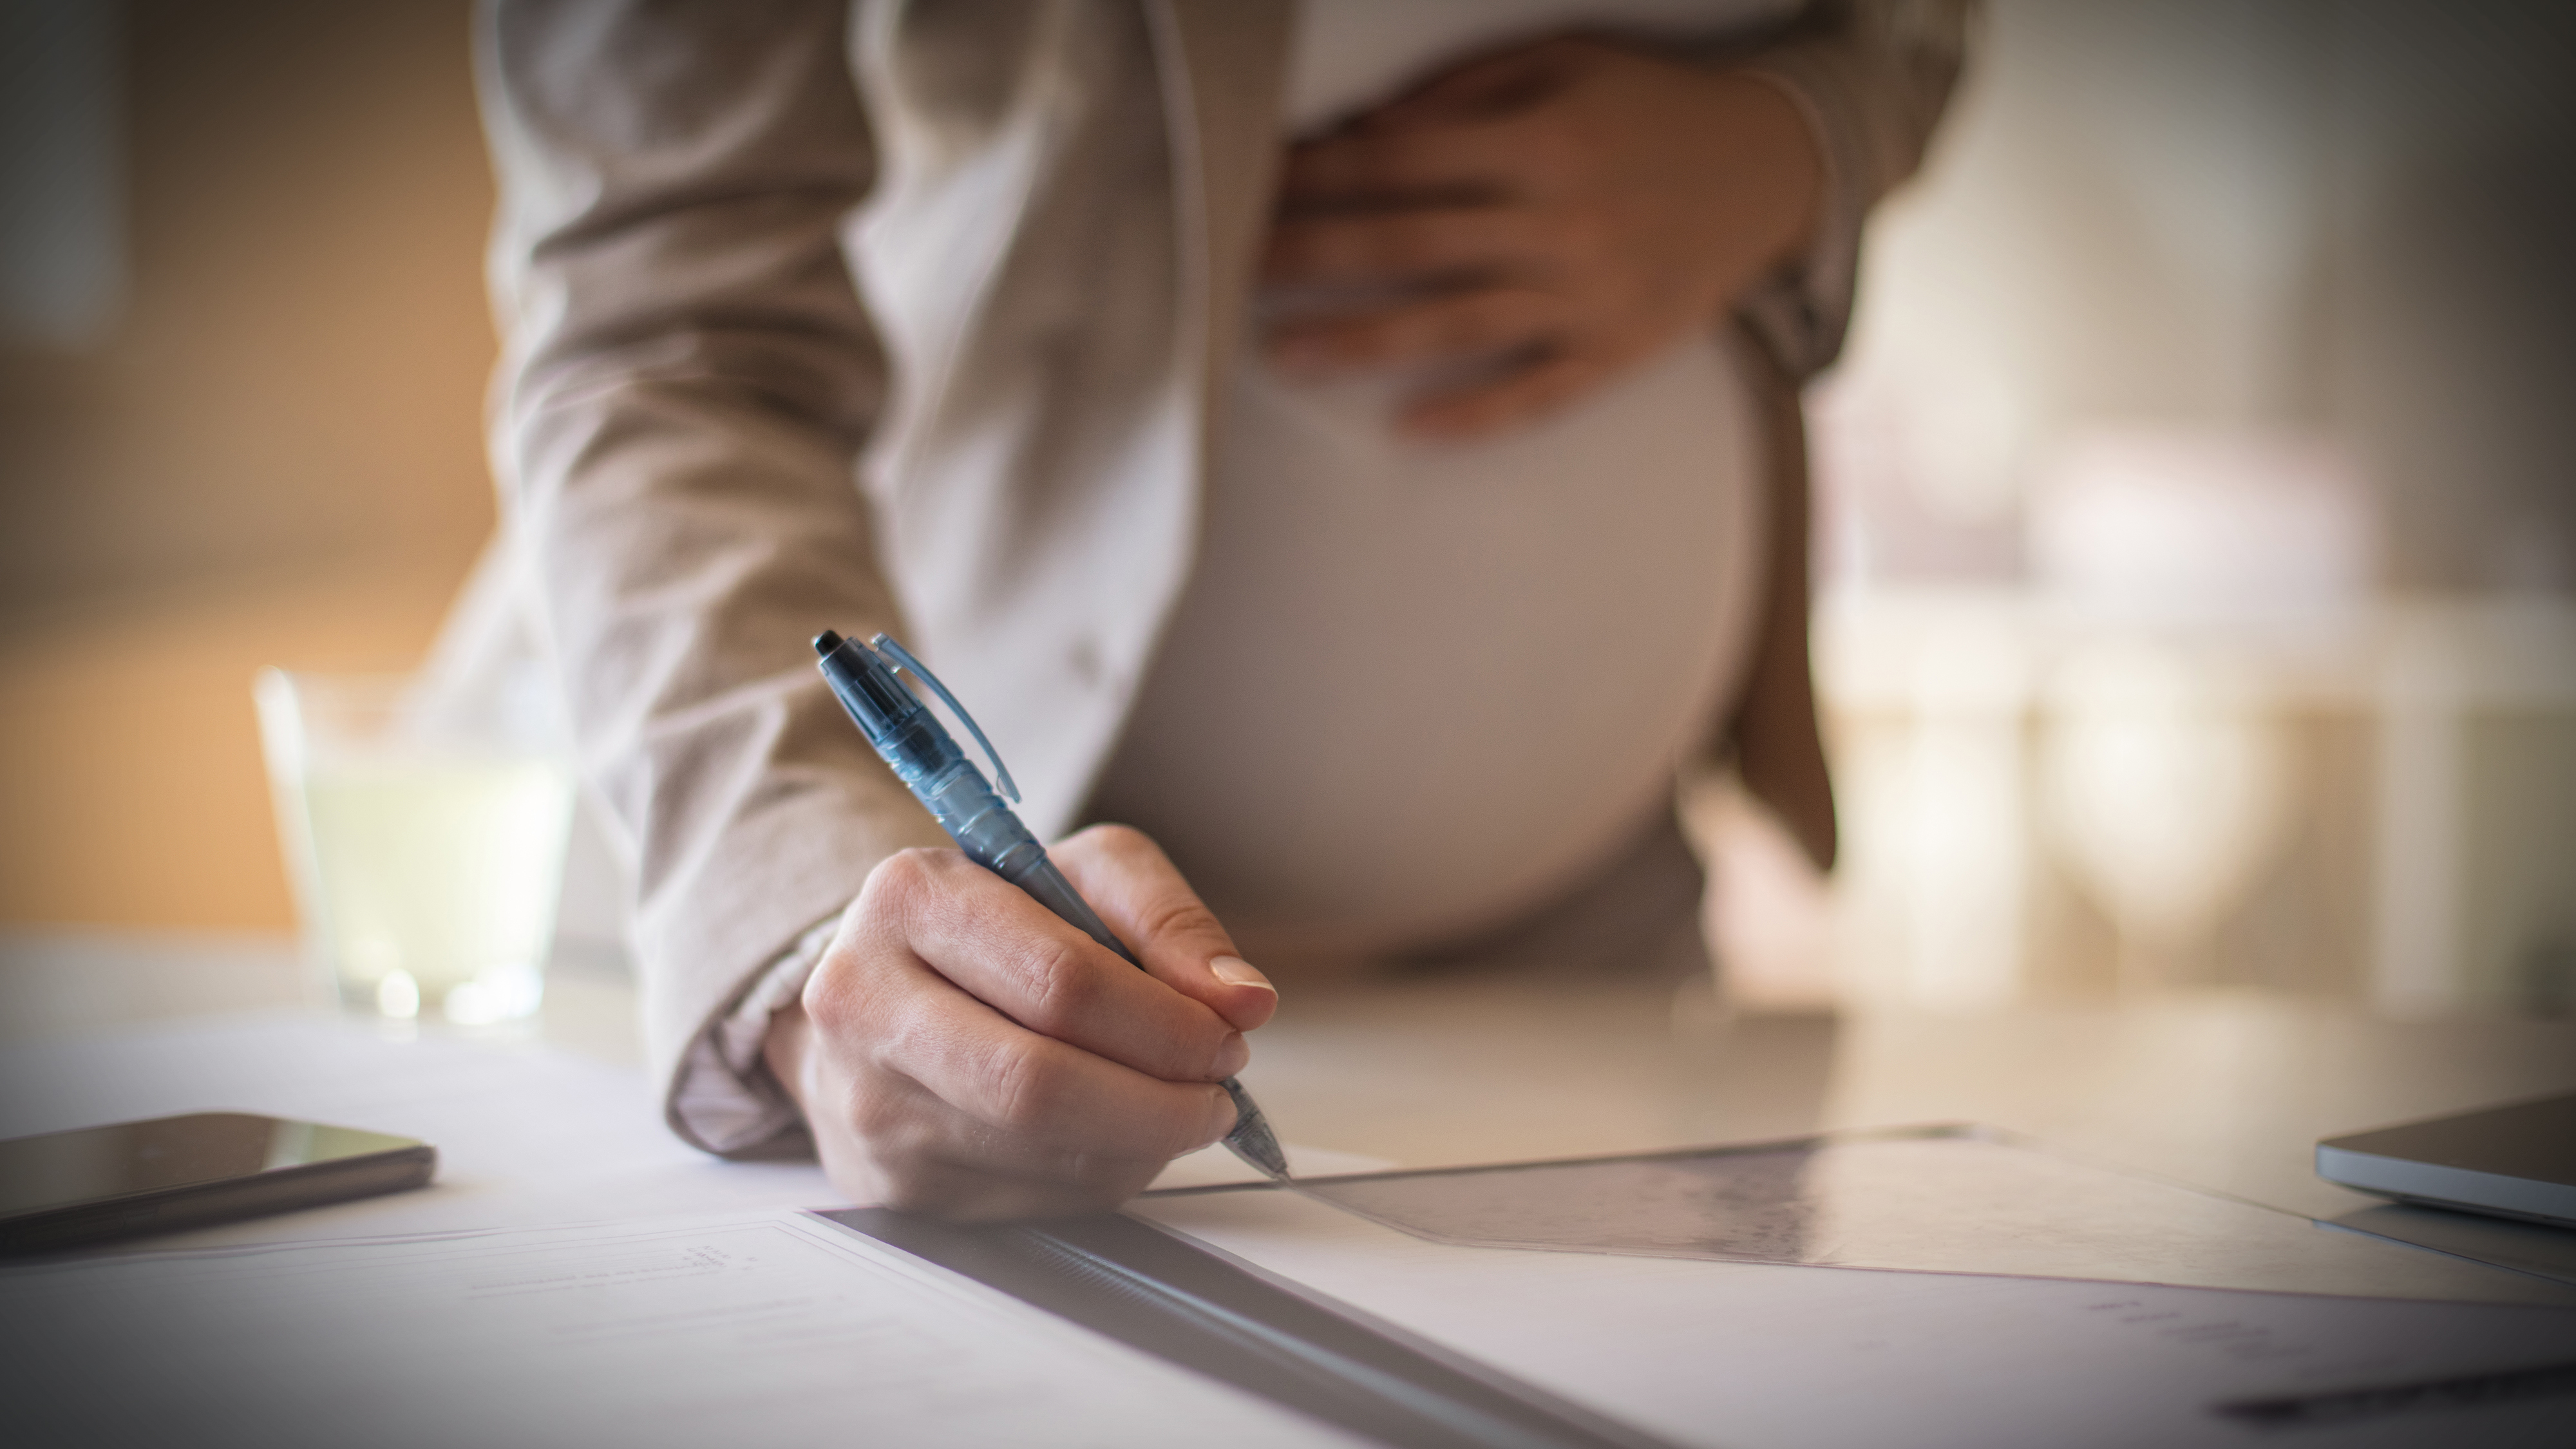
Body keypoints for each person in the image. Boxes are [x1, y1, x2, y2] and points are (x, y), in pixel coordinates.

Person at [470, 0, 1965, 1219]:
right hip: (994, 986)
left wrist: (1808, 134)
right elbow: (659, 336)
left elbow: (1919, 33)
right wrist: (815, 934)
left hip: (1599, 933)